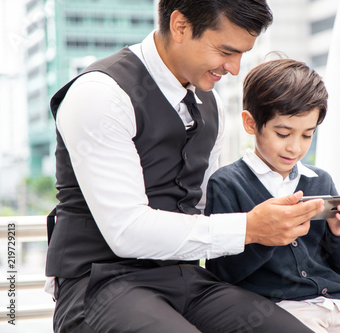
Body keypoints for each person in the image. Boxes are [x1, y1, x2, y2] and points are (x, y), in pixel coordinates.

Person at [45, 1, 325, 332]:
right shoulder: (100, 94)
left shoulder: (213, 106)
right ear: (180, 26)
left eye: (241, 55)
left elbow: (202, 206)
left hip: (187, 280)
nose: (234, 68)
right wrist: (250, 227)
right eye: (226, 51)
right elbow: (126, 231)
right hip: (99, 286)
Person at [205, 59, 340, 333]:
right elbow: (221, 273)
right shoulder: (227, 184)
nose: (295, 147)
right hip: (279, 310)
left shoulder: (320, 180)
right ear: (250, 123)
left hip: (339, 304)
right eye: (283, 133)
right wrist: (265, 235)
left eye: (307, 135)